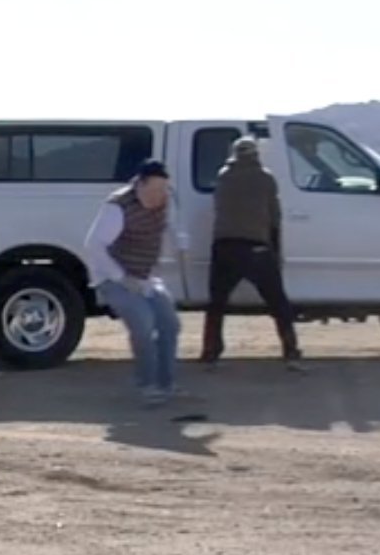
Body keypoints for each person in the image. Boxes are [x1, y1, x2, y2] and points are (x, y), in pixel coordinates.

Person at [84, 159, 190, 407]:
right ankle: (147, 385)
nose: (158, 196)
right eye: (153, 190)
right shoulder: (118, 207)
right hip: (113, 277)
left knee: (170, 324)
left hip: (146, 277)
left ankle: (167, 384)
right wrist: (122, 277)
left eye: (163, 189)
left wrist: (182, 246)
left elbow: (173, 227)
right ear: (139, 185)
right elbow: (94, 246)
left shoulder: (165, 200)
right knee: (143, 323)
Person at [200, 136, 304, 371]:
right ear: (255, 154)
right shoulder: (265, 178)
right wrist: (275, 250)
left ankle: (210, 353)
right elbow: (274, 217)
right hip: (255, 246)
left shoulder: (223, 176)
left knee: (217, 303)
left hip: (224, 245)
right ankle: (291, 352)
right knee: (278, 303)